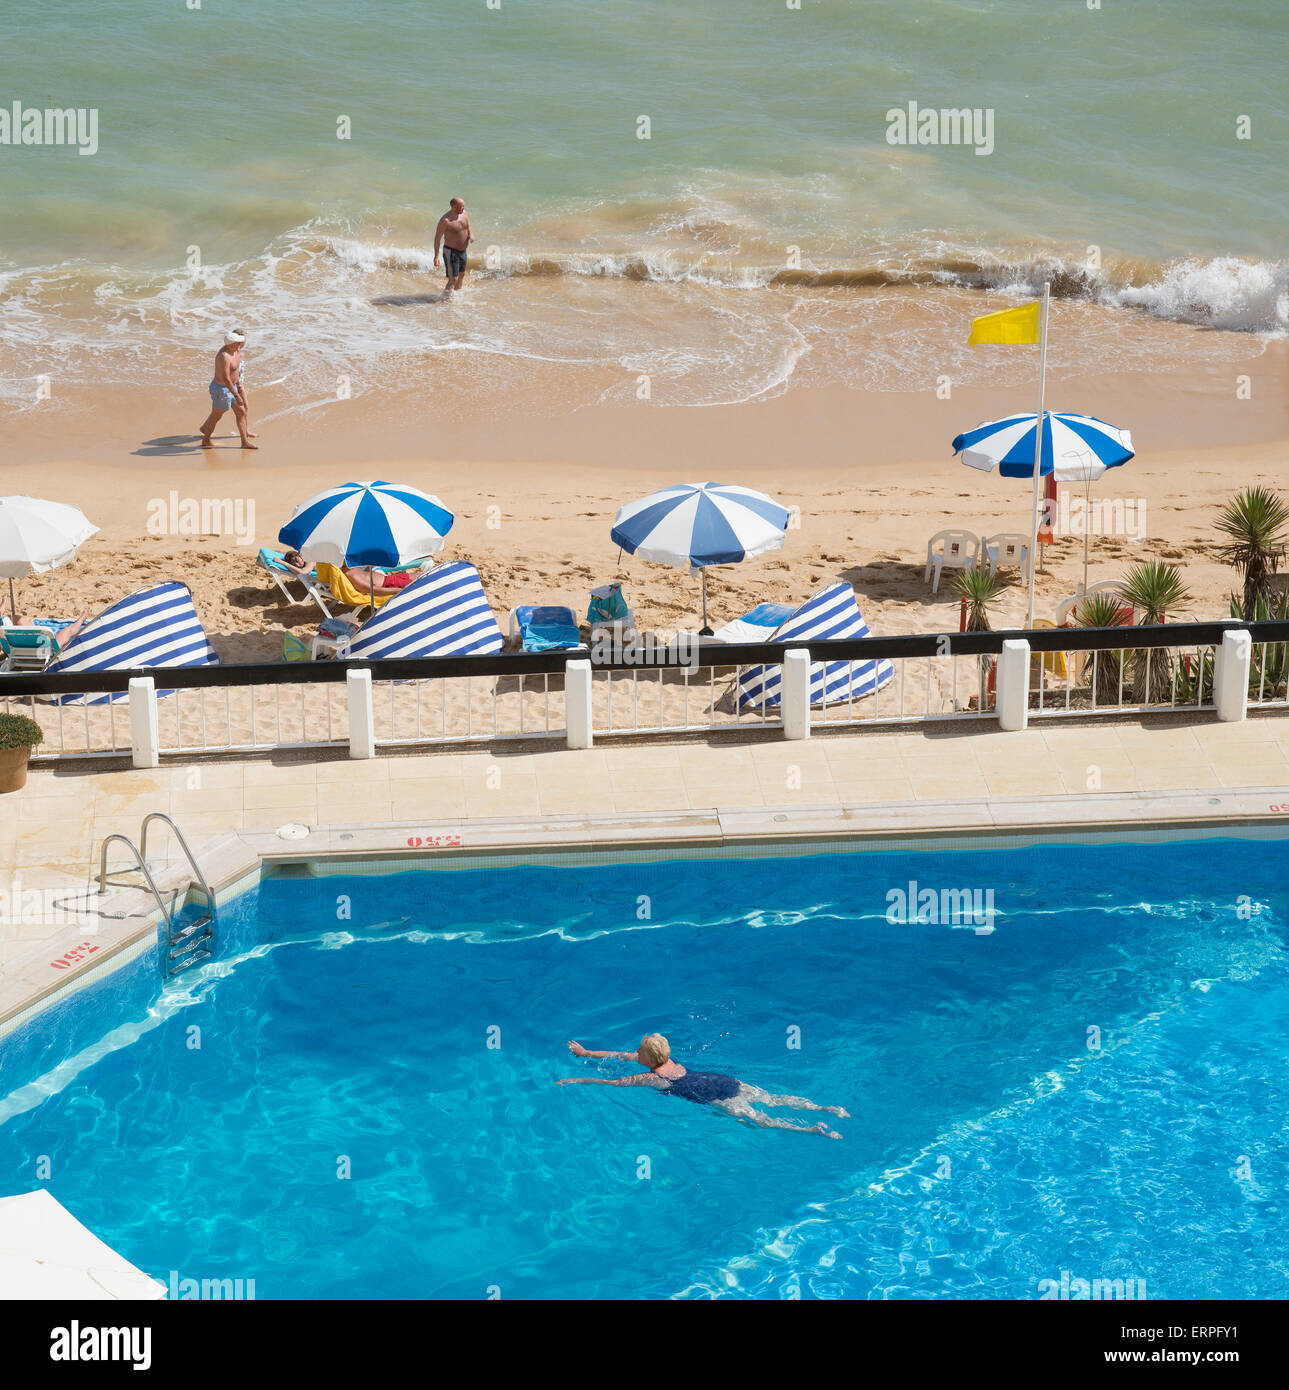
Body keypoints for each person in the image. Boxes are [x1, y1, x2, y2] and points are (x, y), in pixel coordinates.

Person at [558, 1033, 848, 1138]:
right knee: (772, 1098)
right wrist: (587, 1052)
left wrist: (579, 1078)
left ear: (646, 1058)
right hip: (721, 1081)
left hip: (711, 1096)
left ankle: (809, 1129)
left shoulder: (652, 1077)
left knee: (761, 1121)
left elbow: (613, 1082)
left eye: (640, 1051)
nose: (635, 1052)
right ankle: (825, 1108)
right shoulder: (666, 1061)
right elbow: (615, 1054)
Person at [199, 329, 258, 450]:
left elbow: (236, 371)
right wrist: (236, 395)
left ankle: (244, 442)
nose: (240, 345)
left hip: (233, 387)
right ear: (230, 344)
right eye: (238, 343)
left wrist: (239, 386)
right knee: (217, 416)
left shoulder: (236, 350)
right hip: (222, 389)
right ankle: (206, 440)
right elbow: (226, 378)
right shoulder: (224, 356)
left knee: (241, 412)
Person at [433, 197, 474, 296]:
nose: (463, 208)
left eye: (464, 206)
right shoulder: (445, 221)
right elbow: (437, 239)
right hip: (450, 252)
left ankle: (457, 295)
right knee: (453, 279)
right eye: (461, 206)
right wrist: (436, 256)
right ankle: (446, 301)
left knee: (461, 275)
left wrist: (471, 234)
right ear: (454, 207)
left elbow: (468, 226)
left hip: (462, 251)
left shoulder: (464, 214)